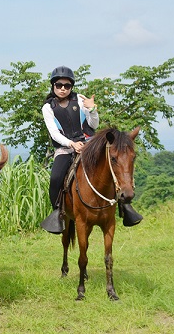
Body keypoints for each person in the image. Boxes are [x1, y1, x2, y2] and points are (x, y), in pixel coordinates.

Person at [40, 66, 142, 233]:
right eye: (59, 85)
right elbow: (54, 133)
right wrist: (71, 144)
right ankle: (58, 212)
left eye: (67, 85)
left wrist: (92, 110)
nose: (63, 88)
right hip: (65, 149)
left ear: (71, 86)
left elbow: (93, 124)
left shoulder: (80, 100)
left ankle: (125, 206)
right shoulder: (48, 107)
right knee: (56, 177)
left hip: (89, 145)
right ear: (53, 86)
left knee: (112, 167)